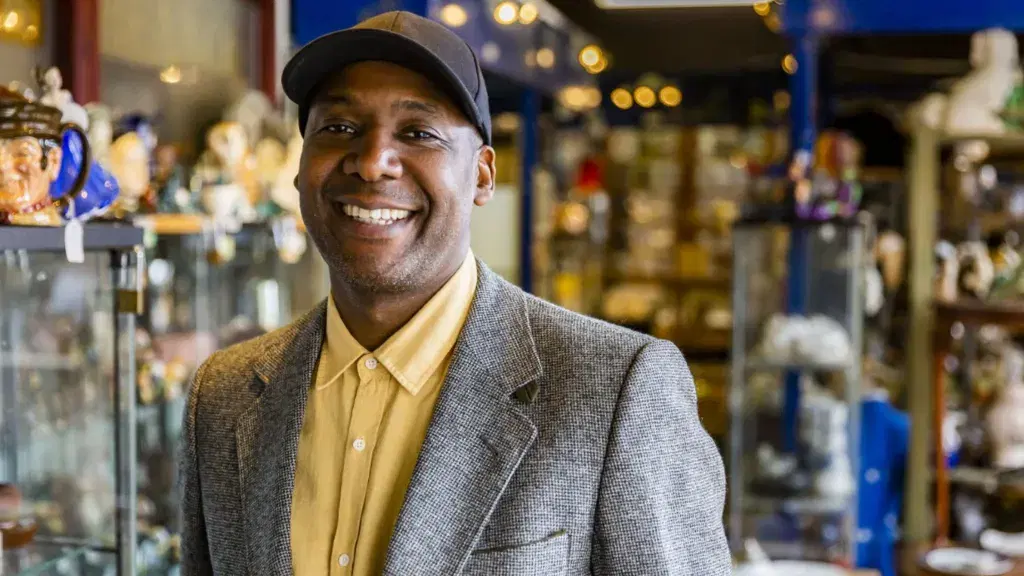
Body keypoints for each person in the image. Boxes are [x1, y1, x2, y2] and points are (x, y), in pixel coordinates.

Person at [179, 11, 729, 576]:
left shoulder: (615, 392)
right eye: (339, 128)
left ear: (483, 175)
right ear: (299, 168)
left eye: (418, 133)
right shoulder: (222, 398)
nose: (372, 162)